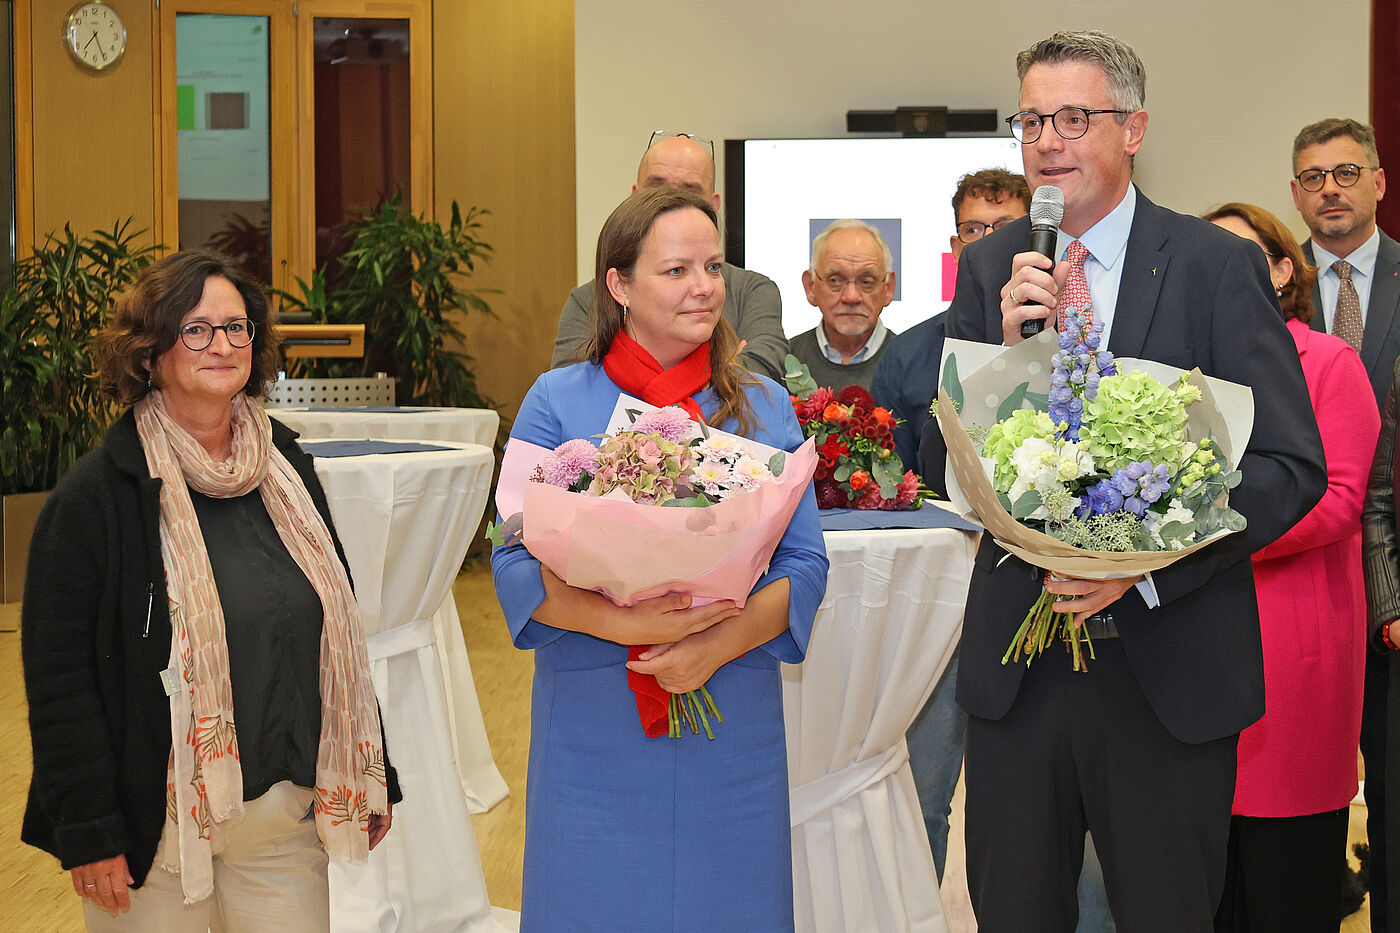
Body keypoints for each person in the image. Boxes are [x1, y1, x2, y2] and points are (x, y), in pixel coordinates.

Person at [924, 30, 1326, 931]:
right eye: (1030, 119)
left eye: (1074, 117)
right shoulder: (994, 267)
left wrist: (1143, 567)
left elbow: (1291, 466)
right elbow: (940, 455)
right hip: (1018, 676)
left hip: (1166, 667)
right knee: (1015, 911)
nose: (1047, 142)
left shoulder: (1214, 267)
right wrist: (1002, 354)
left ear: (1133, 127)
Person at [21, 249, 400, 931]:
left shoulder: (287, 466)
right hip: (153, 827)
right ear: (148, 353)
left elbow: (333, 622)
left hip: (285, 817)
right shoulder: (97, 496)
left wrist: (379, 776)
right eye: (195, 329)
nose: (222, 344)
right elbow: (60, 682)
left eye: (237, 327)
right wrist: (90, 828)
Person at [492, 186, 828, 931]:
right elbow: (512, 563)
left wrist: (709, 646)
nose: (705, 285)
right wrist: (622, 622)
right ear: (618, 286)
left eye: (713, 265)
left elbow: (805, 565)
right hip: (596, 715)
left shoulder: (764, 406)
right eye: (677, 270)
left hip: (729, 713)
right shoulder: (555, 402)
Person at [1204, 202, 1378, 933]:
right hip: (1198, 645)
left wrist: (1209, 534)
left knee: (1288, 885)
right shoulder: (1181, 370)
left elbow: (1339, 499)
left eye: (1244, 255)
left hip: (1294, 654)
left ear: (1283, 269)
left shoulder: (1330, 362)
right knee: (1205, 888)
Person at [1292, 118, 1400, 932]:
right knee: (1303, 785)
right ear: (1295, 194)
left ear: (1378, 183)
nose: (1331, 187)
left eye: (1346, 172)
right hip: (1302, 577)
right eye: (1314, 176)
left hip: (1392, 577)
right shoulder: (1262, 289)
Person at [551, 131, 789, 380]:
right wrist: (720, 368)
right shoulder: (587, 300)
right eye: (657, 188)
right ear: (634, 197)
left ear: (714, 206)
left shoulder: (751, 291)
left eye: (690, 192)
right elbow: (576, 389)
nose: (671, 203)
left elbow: (762, 376)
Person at [874, 168, 1031, 473]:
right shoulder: (904, 355)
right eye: (972, 230)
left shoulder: (1064, 335)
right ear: (956, 250)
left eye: (1005, 228)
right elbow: (894, 484)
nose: (988, 242)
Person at [788, 219, 898, 391]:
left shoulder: (912, 363)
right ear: (811, 287)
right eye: (835, 280)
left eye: (867, 282)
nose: (851, 297)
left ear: (888, 288)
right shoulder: (783, 361)